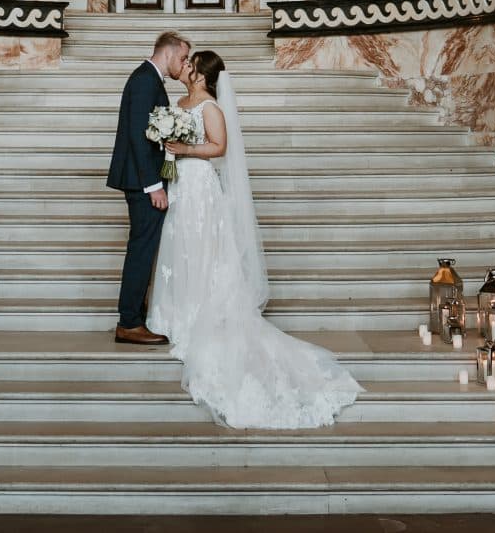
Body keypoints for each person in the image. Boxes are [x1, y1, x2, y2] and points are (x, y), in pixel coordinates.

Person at [147, 49, 362, 428]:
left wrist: (184, 149)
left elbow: (220, 147)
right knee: (181, 248)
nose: (186, 67)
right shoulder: (178, 101)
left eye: (191, 64)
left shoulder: (211, 107)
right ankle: (179, 314)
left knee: (204, 250)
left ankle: (201, 317)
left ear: (201, 75)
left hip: (200, 185)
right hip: (179, 185)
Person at [106, 30, 186, 345]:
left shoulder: (148, 79)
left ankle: (134, 316)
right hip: (142, 183)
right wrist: (153, 186)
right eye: (182, 57)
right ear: (168, 53)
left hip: (143, 180)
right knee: (141, 249)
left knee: (144, 247)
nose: (184, 64)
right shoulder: (144, 80)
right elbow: (139, 138)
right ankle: (128, 321)